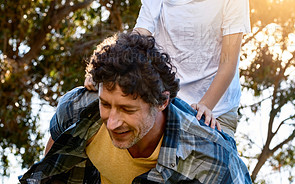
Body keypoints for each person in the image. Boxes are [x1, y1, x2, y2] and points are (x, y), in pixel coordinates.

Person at [86, 0, 251, 138]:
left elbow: (228, 62)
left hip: (216, 109)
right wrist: (100, 73)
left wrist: (205, 106)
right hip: (166, 103)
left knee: (215, 164)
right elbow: (133, 47)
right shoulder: (156, 0)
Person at [20, 32, 251, 184]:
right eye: (105, 104)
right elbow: (50, 171)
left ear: (161, 102)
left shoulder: (214, 157)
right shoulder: (76, 108)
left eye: (127, 110)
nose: (111, 123)